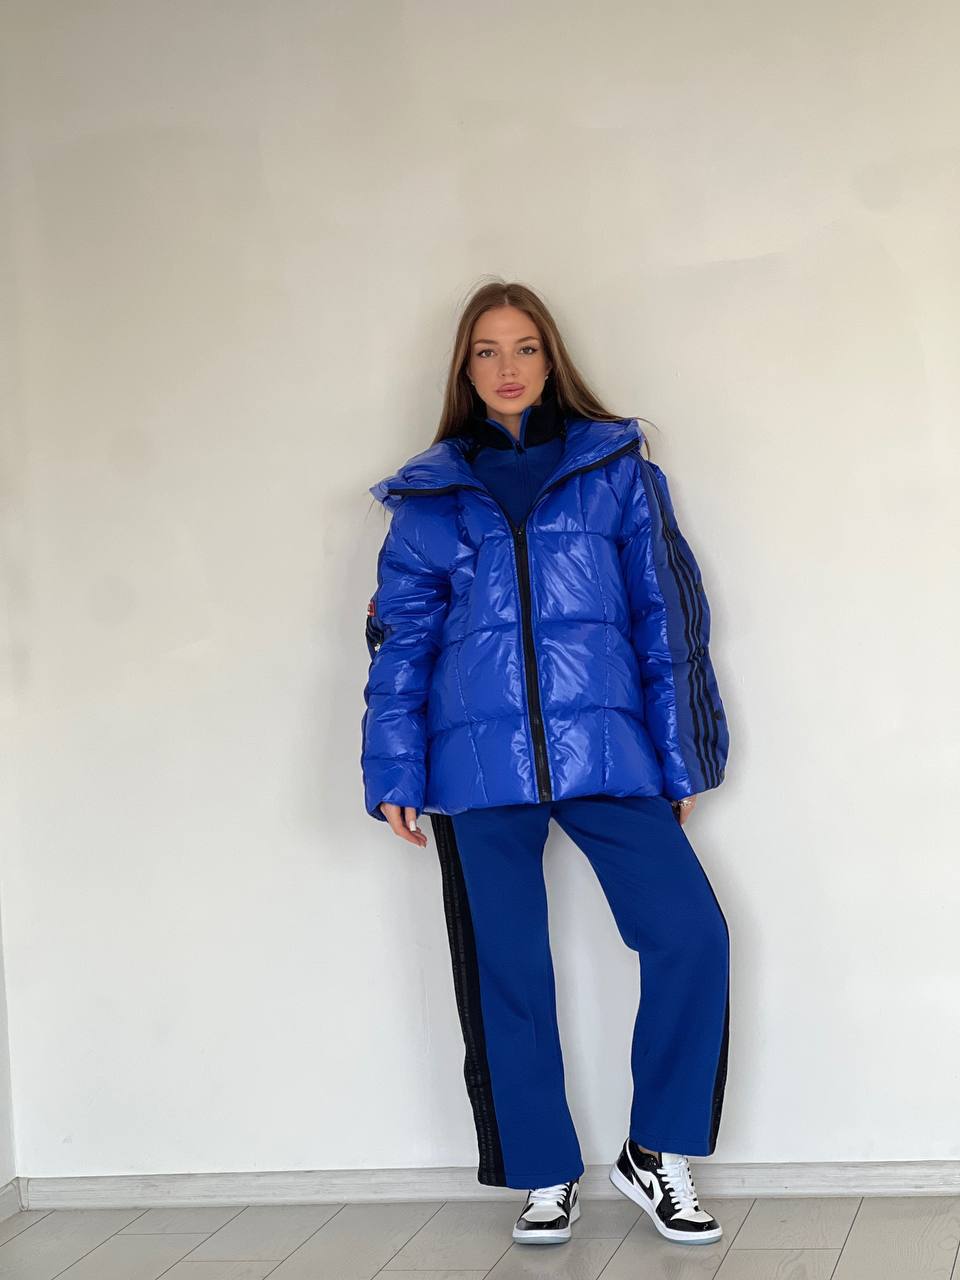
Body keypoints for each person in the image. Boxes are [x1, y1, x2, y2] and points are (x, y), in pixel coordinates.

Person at [360, 280, 731, 1248]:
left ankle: (656, 1151)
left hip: (607, 750)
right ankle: (542, 1171)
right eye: (486, 350)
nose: (508, 366)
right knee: (508, 970)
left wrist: (681, 754)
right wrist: (394, 771)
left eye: (524, 346)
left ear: (550, 356)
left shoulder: (615, 472)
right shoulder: (430, 497)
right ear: (464, 368)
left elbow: (665, 620)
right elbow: (401, 644)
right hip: (477, 764)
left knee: (692, 934)